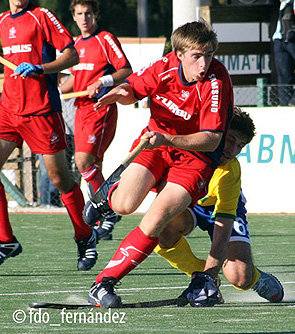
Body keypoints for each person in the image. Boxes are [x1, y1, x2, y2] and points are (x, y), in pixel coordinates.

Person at [84, 20, 234, 308]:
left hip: (195, 159)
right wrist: (120, 93)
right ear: (179, 54)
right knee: (124, 205)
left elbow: (212, 140)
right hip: (156, 145)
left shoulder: (217, 81)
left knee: (156, 220)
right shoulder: (164, 66)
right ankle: (111, 193)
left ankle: (102, 283)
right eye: (196, 56)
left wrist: (168, 138)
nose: (204, 64)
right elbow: (133, 89)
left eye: (208, 55)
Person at [0, 0, 99, 271]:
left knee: (61, 181)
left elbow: (72, 56)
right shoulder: (2, 21)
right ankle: (6, 240)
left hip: (41, 111)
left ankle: (84, 235)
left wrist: (40, 68)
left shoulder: (41, 16)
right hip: (8, 110)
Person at [154, 107, 284, 306]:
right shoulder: (186, 146)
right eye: (230, 140)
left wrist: (210, 273)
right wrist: (206, 277)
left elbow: (221, 231)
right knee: (161, 227)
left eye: (239, 146)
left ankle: (255, 278)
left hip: (222, 208)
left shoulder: (229, 172)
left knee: (240, 278)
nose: (232, 150)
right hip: (191, 204)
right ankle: (199, 275)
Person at [59, 0, 133, 240]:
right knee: (92, 168)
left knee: (82, 162)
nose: (84, 18)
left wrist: (102, 82)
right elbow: (74, 81)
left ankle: (110, 211)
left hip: (100, 108)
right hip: (80, 109)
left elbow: (125, 70)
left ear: (96, 15)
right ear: (74, 17)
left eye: (88, 13)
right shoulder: (75, 44)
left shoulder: (105, 39)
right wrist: (52, 86)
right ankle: (104, 221)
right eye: (79, 14)